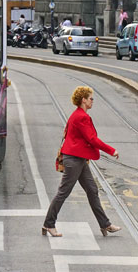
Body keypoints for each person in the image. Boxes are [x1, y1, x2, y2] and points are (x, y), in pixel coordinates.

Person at [42, 86, 121, 238]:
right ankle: (49, 224)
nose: (93, 101)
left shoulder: (77, 115)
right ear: (84, 100)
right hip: (74, 159)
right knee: (63, 192)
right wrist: (111, 150)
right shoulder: (81, 117)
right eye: (91, 98)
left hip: (78, 159)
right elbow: (91, 138)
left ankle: (105, 224)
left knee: (92, 190)